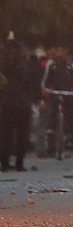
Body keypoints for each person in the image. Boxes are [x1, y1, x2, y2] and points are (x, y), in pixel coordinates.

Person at [41, 45, 73, 159]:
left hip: (68, 96)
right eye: (59, 50)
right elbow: (46, 82)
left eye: (63, 50)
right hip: (55, 95)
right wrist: (48, 91)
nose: (61, 52)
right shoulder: (52, 65)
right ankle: (51, 149)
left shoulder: (69, 66)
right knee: (52, 121)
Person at [0, 38, 31, 172]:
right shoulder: (12, 64)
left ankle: (10, 163)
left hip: (15, 103)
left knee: (13, 135)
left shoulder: (17, 65)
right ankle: (12, 163)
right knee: (13, 135)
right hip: (14, 103)